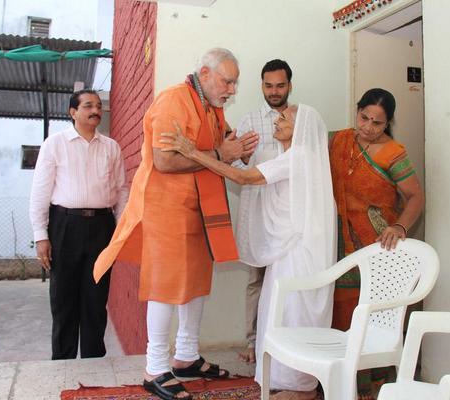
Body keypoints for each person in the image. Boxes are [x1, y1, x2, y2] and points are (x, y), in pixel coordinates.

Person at [92, 48, 258, 400]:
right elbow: (165, 161)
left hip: (200, 208)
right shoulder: (173, 101)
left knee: (196, 282)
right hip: (165, 208)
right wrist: (220, 154)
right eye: (228, 81)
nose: (232, 89)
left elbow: (222, 149)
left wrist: (236, 150)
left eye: (235, 83)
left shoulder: (212, 108)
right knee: (165, 287)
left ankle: (186, 357)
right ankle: (155, 367)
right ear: (205, 74)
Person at [161, 104, 336, 400]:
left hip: (300, 253)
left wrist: (193, 153)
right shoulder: (288, 156)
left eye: (285, 119)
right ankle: (283, 379)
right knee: (278, 311)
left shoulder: (299, 156)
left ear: (301, 129)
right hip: (290, 250)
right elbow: (248, 167)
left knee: (293, 313)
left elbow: (245, 178)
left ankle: (301, 388)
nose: (277, 121)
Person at [329, 88, 424, 399]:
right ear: (357, 111)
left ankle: (375, 388)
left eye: (377, 123)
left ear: (388, 123)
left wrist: (399, 225)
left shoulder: (393, 153)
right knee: (342, 310)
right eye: (364, 118)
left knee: (373, 316)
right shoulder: (339, 140)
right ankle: (342, 383)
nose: (368, 127)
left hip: (378, 246)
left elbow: (415, 196)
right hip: (340, 245)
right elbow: (304, 145)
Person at [29, 89, 129, 360]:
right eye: (88, 106)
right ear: (73, 112)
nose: (95, 110)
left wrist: (120, 230)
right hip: (65, 227)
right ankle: (62, 363)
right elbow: (40, 191)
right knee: (63, 300)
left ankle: (93, 362)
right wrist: (41, 236)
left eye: (98, 106)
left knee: (96, 299)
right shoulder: (55, 144)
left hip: (102, 227)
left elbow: (121, 191)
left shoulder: (111, 147)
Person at [234, 59, 293, 364]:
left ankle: (284, 341)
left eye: (280, 86)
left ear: (289, 86)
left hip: (288, 216)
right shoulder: (249, 120)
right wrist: (243, 158)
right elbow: (235, 165)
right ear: (261, 86)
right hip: (258, 214)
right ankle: (254, 342)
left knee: (287, 279)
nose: (274, 92)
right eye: (268, 86)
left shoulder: (299, 119)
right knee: (257, 279)